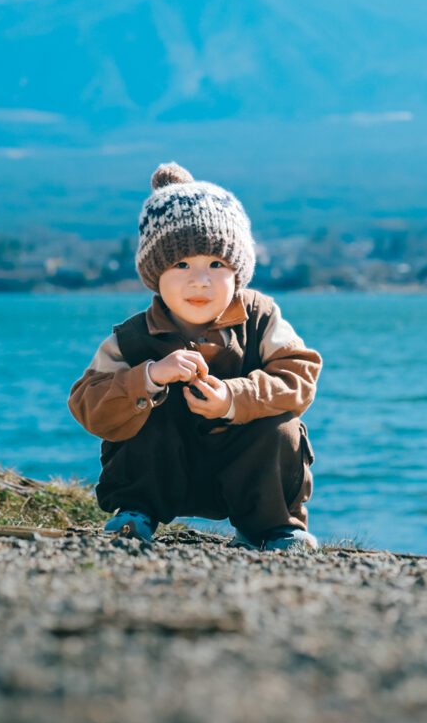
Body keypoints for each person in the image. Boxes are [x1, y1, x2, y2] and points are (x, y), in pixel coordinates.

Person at [67, 161, 322, 552]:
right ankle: (135, 514)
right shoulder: (133, 338)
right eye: (181, 265)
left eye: (216, 265)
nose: (199, 280)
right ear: (155, 274)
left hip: (245, 467)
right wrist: (147, 377)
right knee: (141, 418)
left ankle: (272, 528)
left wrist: (234, 398)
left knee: (282, 429)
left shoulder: (261, 317)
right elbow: (88, 404)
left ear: (238, 272)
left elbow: (300, 377)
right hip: (166, 470)